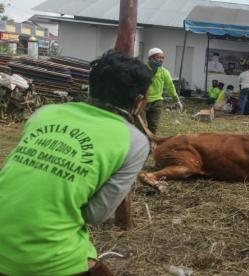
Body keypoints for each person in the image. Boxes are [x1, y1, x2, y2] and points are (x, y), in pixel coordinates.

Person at [0, 51, 152, 275]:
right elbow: (95, 215)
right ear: (139, 101)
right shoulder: (135, 142)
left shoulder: (45, 113)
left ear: (91, 86)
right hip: (48, 261)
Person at [145, 47, 183, 134]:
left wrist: (177, 100)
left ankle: (152, 145)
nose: (161, 60)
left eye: (162, 58)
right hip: (142, 102)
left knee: (153, 127)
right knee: (140, 126)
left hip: (157, 102)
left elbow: (170, 86)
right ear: (150, 58)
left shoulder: (164, 72)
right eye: (158, 57)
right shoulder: (142, 69)